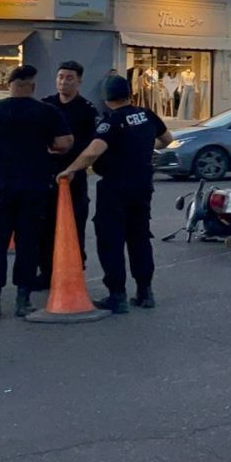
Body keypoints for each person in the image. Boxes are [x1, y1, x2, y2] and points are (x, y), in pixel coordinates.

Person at [0, 65, 73, 320]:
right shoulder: (47, 111)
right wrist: (52, 149)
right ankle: (23, 300)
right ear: (31, 87)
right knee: (28, 243)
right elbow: (65, 142)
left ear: (9, 86)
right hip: (34, 186)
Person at [58, 75, 172, 313]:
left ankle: (117, 295)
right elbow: (166, 140)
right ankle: (145, 292)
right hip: (142, 186)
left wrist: (69, 170)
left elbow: (93, 152)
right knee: (139, 238)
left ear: (106, 97)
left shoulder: (111, 122)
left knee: (111, 241)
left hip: (115, 188)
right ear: (129, 93)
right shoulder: (147, 115)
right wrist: (142, 150)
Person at [39, 61, 99, 286]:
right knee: (45, 224)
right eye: (60, 77)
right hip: (47, 174)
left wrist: (73, 165)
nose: (63, 82)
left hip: (74, 174)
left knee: (75, 223)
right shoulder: (46, 105)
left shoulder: (86, 109)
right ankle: (46, 272)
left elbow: (90, 144)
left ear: (79, 81)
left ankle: (74, 268)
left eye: (69, 78)